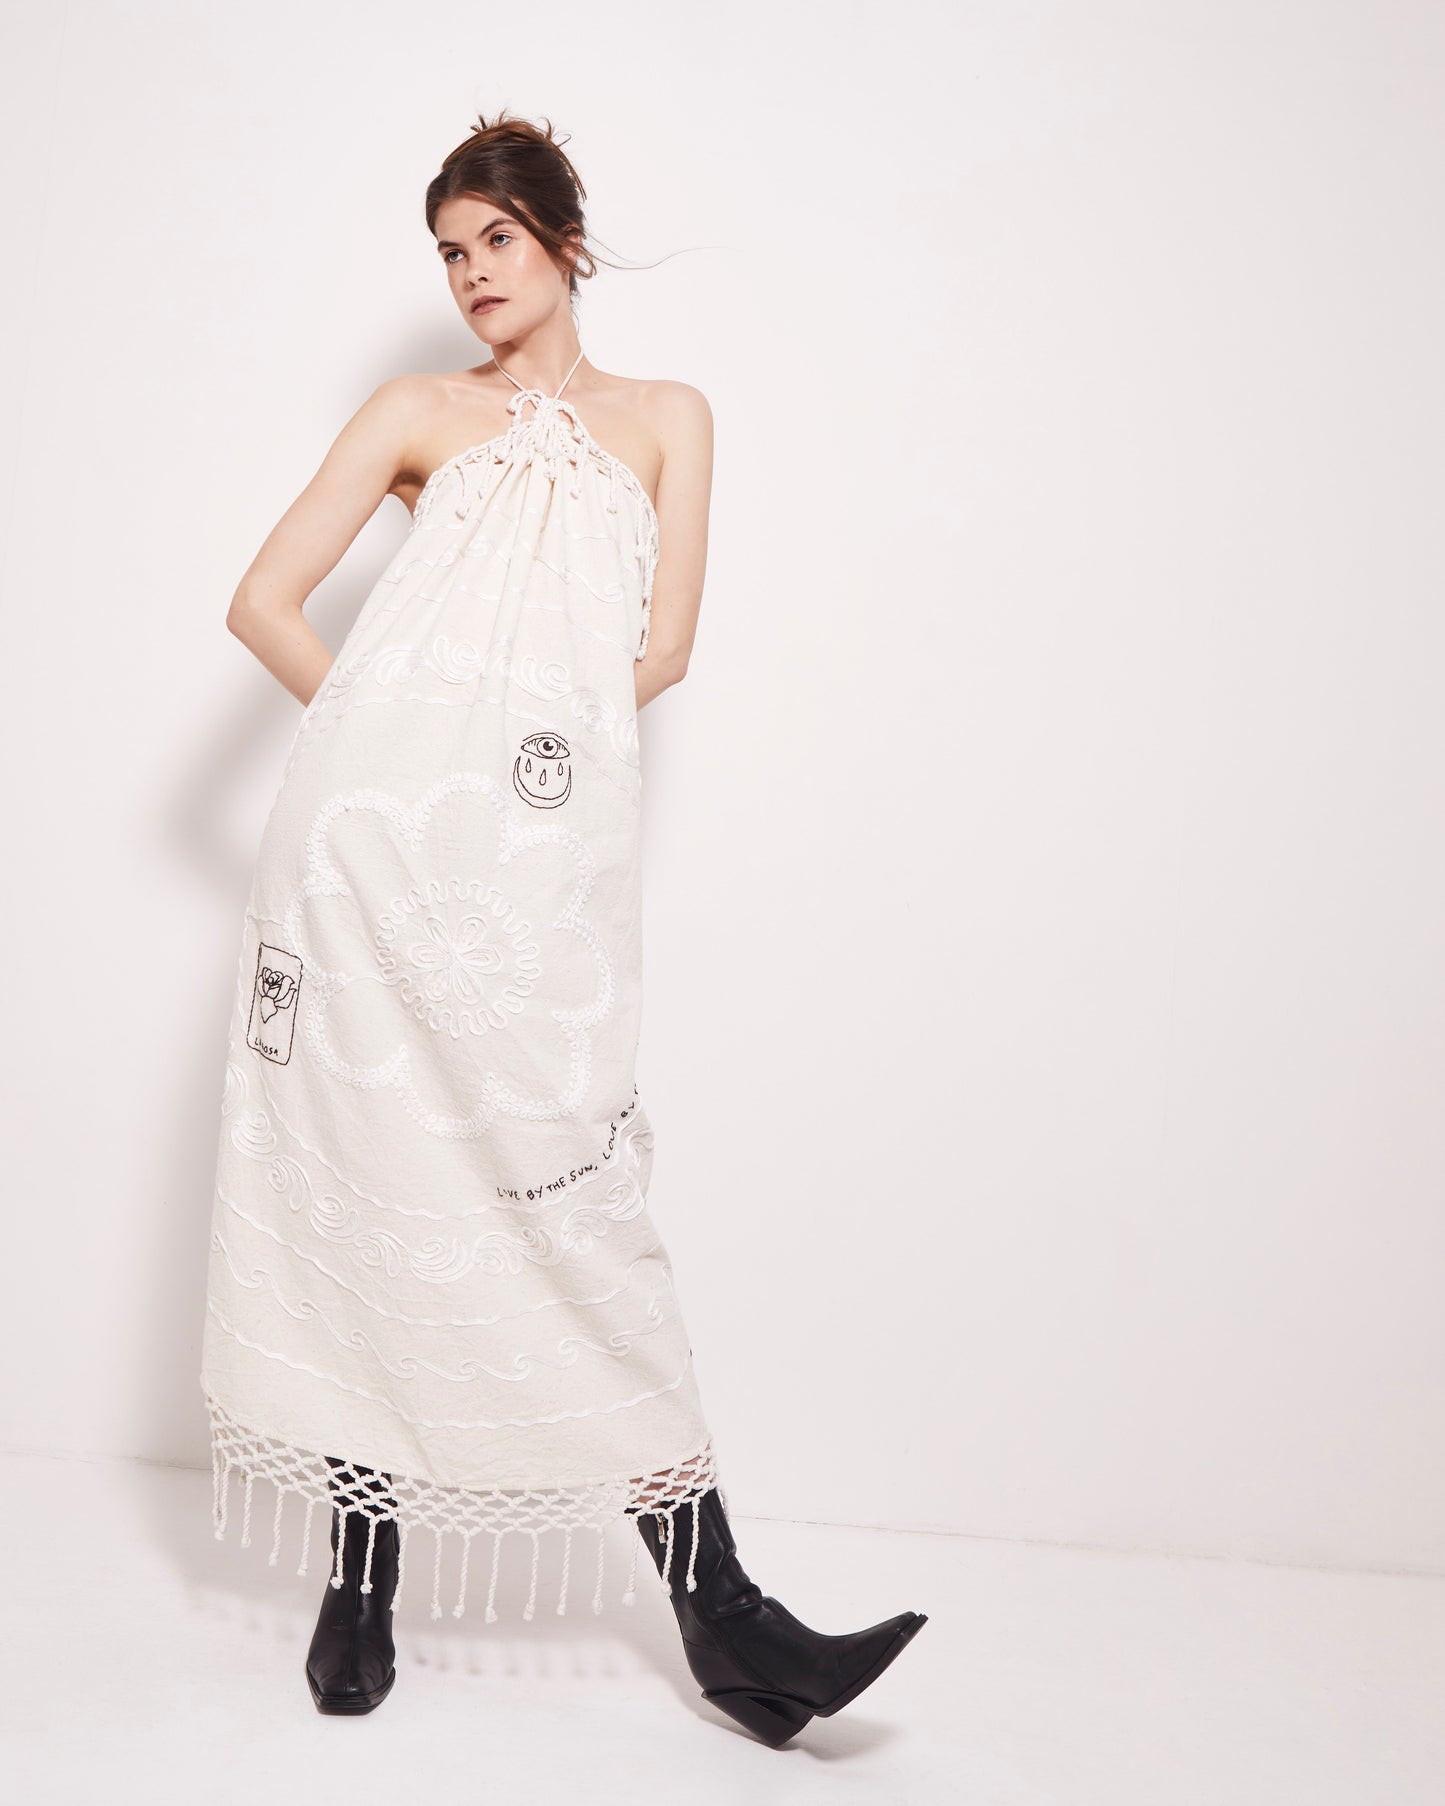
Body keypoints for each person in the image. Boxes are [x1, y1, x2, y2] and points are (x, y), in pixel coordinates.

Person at [199, 109, 926, 1748]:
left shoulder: (669, 417)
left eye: (497, 242)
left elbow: (659, 649)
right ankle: (362, 1577)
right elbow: (261, 601)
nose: (471, 275)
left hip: (534, 865)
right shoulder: (415, 412)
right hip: (365, 860)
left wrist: (507, 779)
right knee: (375, 1179)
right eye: (449, 253)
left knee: (573, 1201)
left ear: (564, 244)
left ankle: (723, 1615)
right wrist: (392, 753)